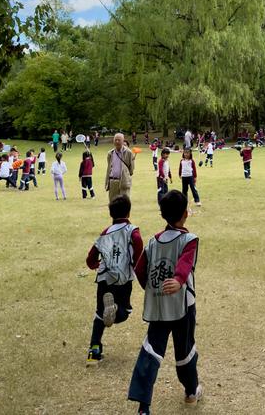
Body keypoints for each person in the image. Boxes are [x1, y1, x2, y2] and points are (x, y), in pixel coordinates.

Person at [127, 190, 201, 413]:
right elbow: (186, 263)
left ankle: (143, 406)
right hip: (182, 307)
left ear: (163, 215)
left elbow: (140, 269)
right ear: (185, 213)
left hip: (158, 307)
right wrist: (178, 280)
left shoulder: (152, 242)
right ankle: (191, 392)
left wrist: (152, 290)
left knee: (150, 351)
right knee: (184, 350)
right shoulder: (189, 240)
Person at [86, 194, 143, 365]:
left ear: (111, 214)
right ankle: (116, 309)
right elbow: (138, 246)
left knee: (99, 314)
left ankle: (93, 352)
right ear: (129, 211)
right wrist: (137, 265)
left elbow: (91, 258)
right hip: (123, 279)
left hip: (104, 278)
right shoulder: (132, 230)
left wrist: (96, 264)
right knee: (124, 312)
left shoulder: (105, 232)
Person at [105, 133, 135, 202]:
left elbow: (131, 169)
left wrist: (125, 175)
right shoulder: (110, 153)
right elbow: (109, 168)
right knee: (113, 203)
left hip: (124, 182)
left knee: (124, 204)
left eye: (119, 140)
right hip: (113, 182)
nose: (117, 142)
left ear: (123, 141)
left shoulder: (128, 153)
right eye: (115, 140)